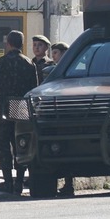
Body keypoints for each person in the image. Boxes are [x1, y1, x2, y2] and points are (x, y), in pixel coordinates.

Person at [0, 30, 38, 195]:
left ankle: (7, 181)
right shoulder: (29, 64)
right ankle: (19, 182)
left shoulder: (0, 62)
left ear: (8, 44)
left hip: (3, 108)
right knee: (20, 144)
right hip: (21, 108)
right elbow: (34, 89)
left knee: (2, 144)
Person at [49, 41, 74, 197]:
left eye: (56, 53)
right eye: (53, 53)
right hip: (53, 114)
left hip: (66, 113)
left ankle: (69, 184)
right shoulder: (52, 69)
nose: (53, 56)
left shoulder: (71, 69)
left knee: (67, 149)